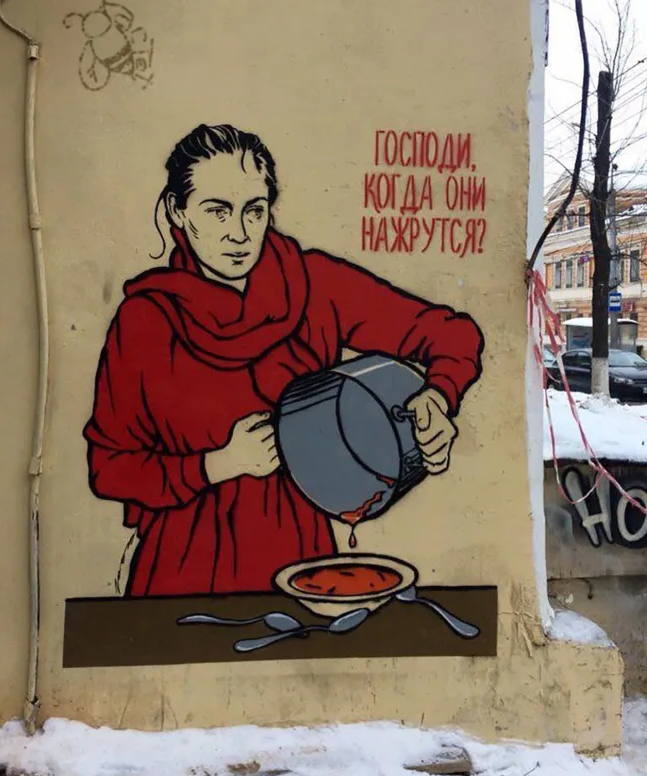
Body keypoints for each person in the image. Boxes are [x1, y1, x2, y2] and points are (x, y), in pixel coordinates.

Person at [84, 123, 484, 597]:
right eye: (217, 211)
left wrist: (439, 396)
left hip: (299, 568)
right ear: (178, 210)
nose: (239, 233)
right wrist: (215, 466)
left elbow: (451, 335)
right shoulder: (146, 320)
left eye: (253, 211)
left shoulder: (312, 284)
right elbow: (109, 467)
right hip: (181, 570)